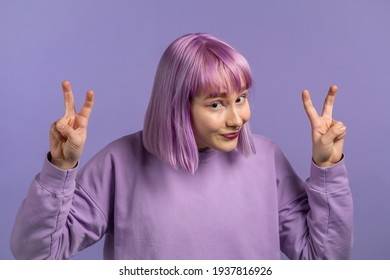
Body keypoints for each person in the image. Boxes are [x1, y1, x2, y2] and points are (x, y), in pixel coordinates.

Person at [10, 33, 353, 260]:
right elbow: (36, 256)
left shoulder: (266, 161)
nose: (238, 118)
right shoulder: (120, 163)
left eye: (241, 98)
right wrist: (60, 168)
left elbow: (323, 260)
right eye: (217, 104)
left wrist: (327, 169)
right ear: (177, 105)